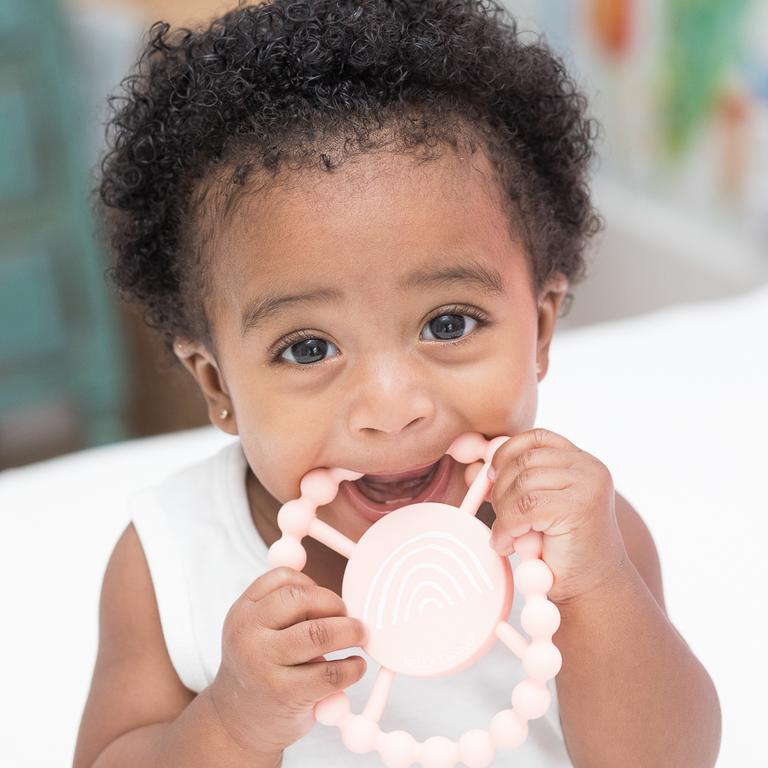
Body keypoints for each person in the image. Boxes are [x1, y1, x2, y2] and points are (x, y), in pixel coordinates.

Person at [73, 1, 721, 766]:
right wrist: (231, 722)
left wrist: (600, 587)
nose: (391, 408)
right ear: (216, 383)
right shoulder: (174, 559)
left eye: (448, 323)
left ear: (541, 328)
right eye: (308, 347)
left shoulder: (574, 535)